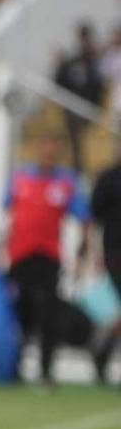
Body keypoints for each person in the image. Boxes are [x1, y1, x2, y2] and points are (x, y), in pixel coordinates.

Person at [4, 133, 89, 386]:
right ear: (38, 149)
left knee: (50, 314)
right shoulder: (20, 179)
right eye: (45, 146)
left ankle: (45, 369)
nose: (48, 153)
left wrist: (83, 254)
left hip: (49, 257)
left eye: (54, 148)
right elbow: (5, 215)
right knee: (21, 313)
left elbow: (83, 219)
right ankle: (14, 366)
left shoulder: (66, 183)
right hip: (20, 256)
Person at [53, 23, 104, 171]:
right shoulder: (71, 62)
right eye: (82, 37)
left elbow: (100, 88)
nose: (85, 41)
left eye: (87, 37)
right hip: (73, 109)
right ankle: (77, 167)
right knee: (74, 132)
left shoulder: (96, 63)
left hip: (91, 109)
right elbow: (59, 82)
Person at [89, 150, 121, 385]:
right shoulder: (109, 179)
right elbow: (94, 214)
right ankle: (102, 351)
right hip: (116, 251)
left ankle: (103, 350)